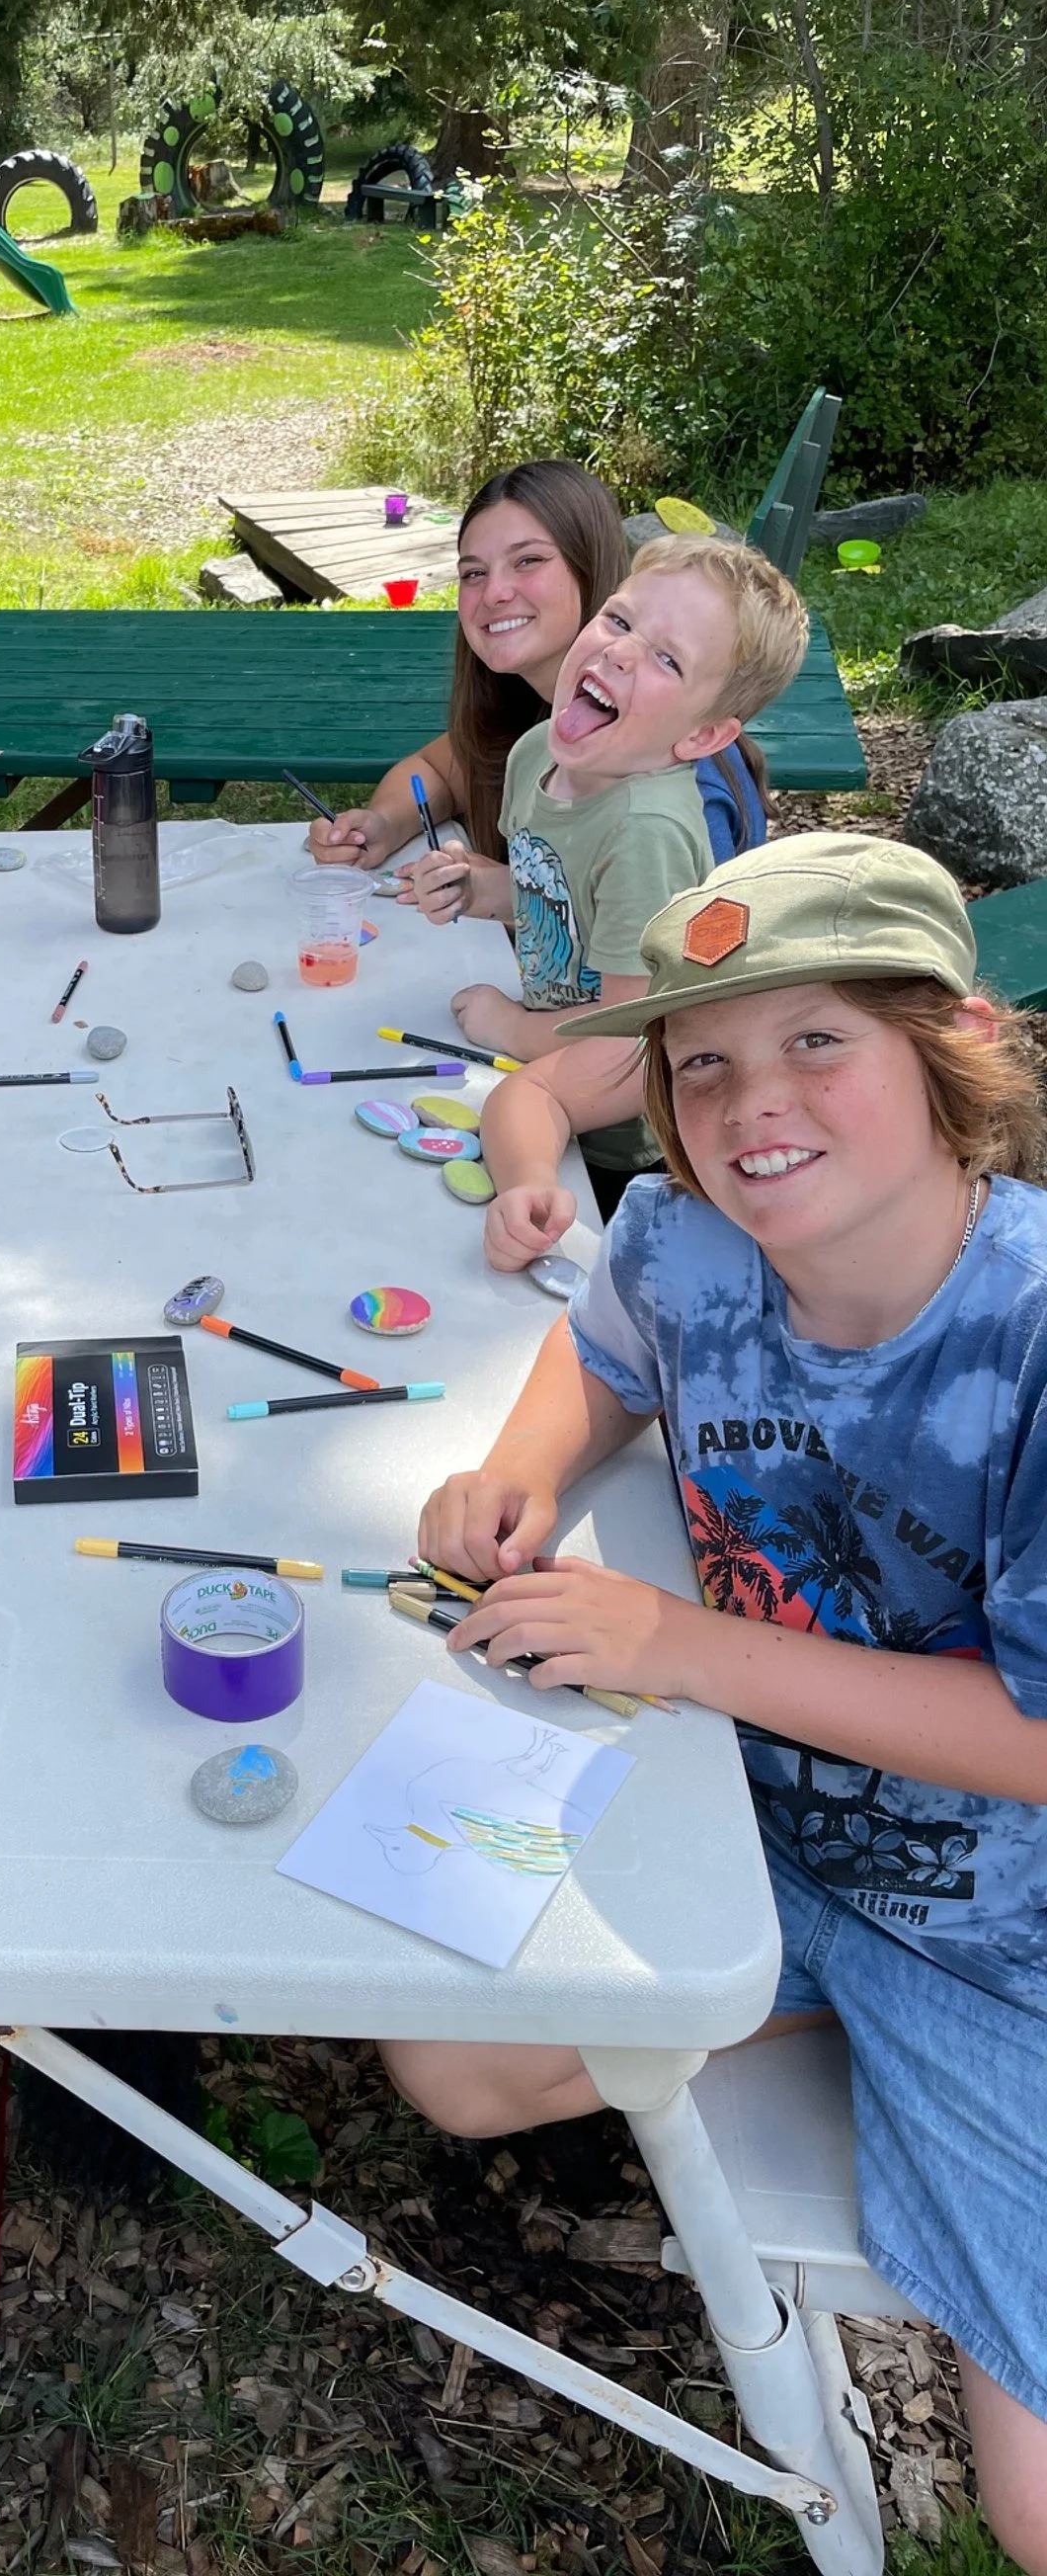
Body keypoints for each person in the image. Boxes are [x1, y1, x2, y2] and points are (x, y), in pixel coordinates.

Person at [399, 837, 1047, 2567]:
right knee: (450, 2065)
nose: (750, 1101)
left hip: (1003, 1922)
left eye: (815, 1041)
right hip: (754, 1827)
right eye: (702, 1063)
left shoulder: (1035, 1330)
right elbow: (602, 1349)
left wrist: (675, 1648)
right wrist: (518, 1469)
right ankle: (806, 1997)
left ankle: (865, 2017)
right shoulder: (686, 1237)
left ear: (952, 1041)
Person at [404, 536, 810, 1234]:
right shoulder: (539, 754)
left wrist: (511, 1026)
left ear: (702, 735)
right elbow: (554, 896)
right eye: (621, 621)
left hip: (625, 1145)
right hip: (547, 1062)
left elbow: (630, 1041)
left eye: (667, 658)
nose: (621, 651)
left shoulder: (645, 832)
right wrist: (480, 891)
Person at [308, 459, 627, 870]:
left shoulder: (647, 742)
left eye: (528, 560)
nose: (493, 592)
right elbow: (432, 773)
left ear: (592, 565)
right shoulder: (519, 704)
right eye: (473, 572)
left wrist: (495, 893)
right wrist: (382, 824)